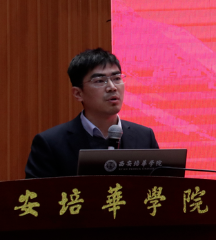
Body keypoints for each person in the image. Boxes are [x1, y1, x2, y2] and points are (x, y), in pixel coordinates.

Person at [25, 48, 159, 178]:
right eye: (100, 81)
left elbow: (161, 188)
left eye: (117, 78)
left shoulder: (145, 137)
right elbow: (37, 192)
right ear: (78, 93)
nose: (112, 87)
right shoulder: (50, 143)